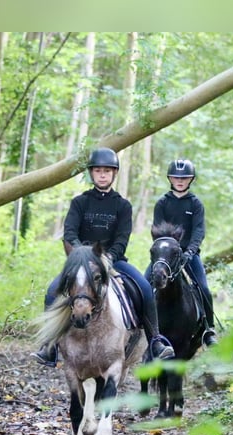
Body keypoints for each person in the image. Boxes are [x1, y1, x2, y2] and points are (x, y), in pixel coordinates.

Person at [32, 147, 175, 367]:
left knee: (145, 288)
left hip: (113, 261)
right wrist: (82, 255)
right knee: (52, 291)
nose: (102, 174)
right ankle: (49, 346)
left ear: (114, 174)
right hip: (80, 262)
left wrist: (106, 259)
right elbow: (70, 232)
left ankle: (155, 340)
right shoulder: (80, 202)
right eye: (98, 171)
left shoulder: (123, 205)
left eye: (107, 171)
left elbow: (121, 239)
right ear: (91, 173)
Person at [150, 158, 218, 346]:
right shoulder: (162, 203)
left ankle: (208, 329)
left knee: (203, 288)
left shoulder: (195, 204)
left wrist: (189, 251)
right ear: (170, 179)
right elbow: (157, 230)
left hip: (189, 254)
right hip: (165, 256)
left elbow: (198, 231)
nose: (180, 181)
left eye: (184, 178)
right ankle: (140, 328)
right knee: (145, 283)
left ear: (191, 180)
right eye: (175, 177)